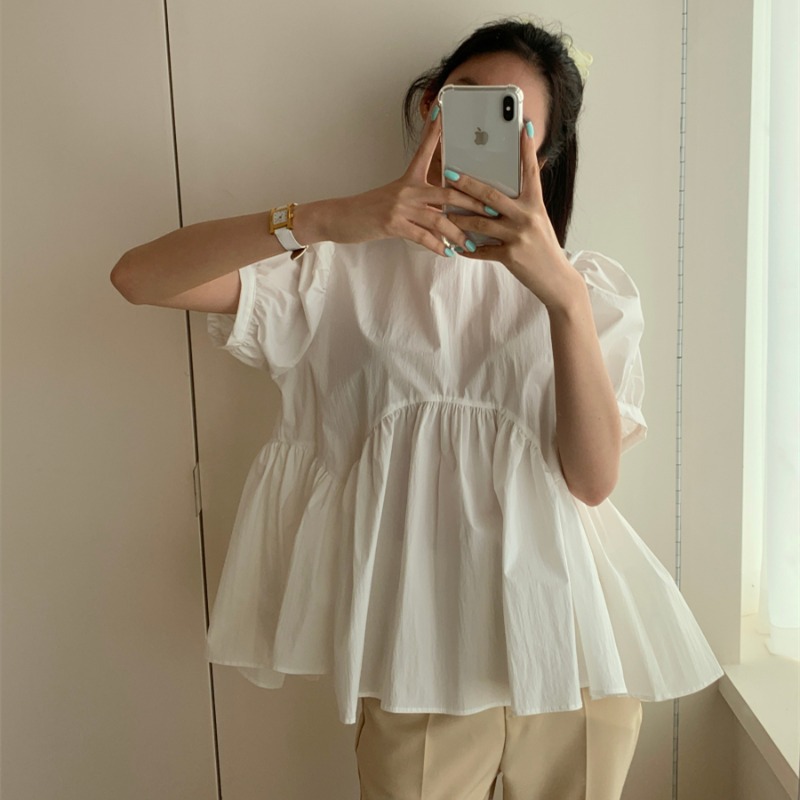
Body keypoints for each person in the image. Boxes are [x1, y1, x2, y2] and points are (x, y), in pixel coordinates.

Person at [110, 15, 724, 800]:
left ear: (540, 155)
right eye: (466, 97)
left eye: (513, 120)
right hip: (419, 664)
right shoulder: (338, 277)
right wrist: (326, 219)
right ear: (432, 103)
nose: (480, 128)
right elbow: (139, 278)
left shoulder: (588, 292)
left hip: (575, 659)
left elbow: (592, 480)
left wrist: (563, 297)